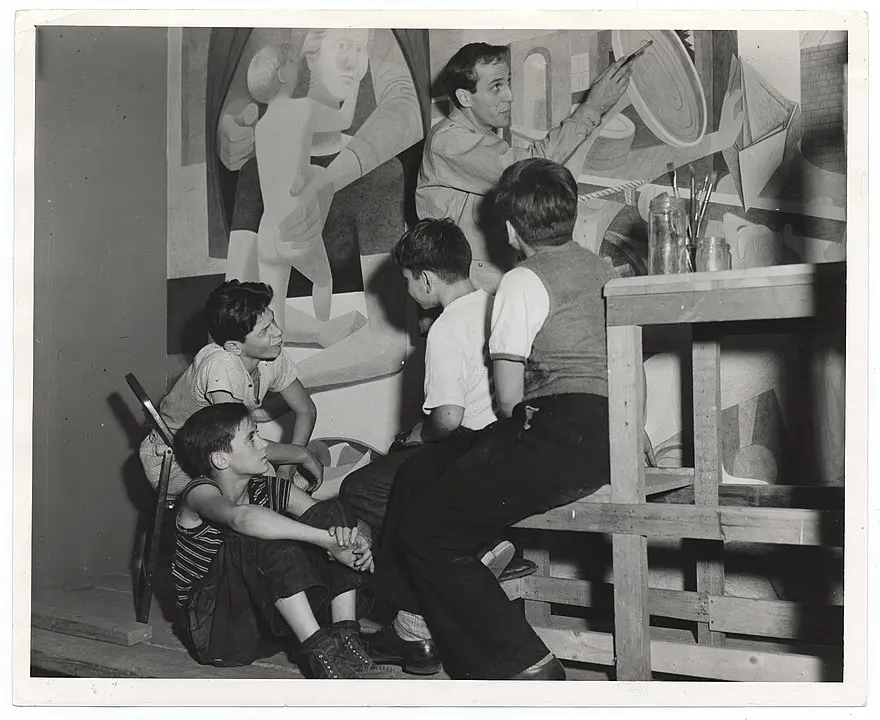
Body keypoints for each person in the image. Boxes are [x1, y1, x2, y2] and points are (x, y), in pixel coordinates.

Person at [370, 158, 618, 680]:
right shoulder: (600, 268)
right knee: (418, 473)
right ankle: (410, 622)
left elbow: (509, 401)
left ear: (509, 229)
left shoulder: (523, 282)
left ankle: (526, 665)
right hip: (609, 431)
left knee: (427, 536)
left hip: (559, 436)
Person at [171, 403, 389, 678]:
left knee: (334, 511)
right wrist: (328, 541)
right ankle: (323, 657)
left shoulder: (266, 487)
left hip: (269, 628)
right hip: (217, 632)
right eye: (251, 438)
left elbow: (336, 518)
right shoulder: (199, 492)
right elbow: (242, 518)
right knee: (255, 535)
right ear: (220, 460)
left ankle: (346, 641)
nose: (264, 445)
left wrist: (359, 541)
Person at [416, 42, 634, 293]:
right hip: (467, 279)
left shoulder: (481, 137)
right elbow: (527, 169)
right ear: (465, 97)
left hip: (482, 273)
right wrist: (591, 108)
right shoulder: (449, 141)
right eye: (496, 87)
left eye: (507, 83)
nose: (508, 95)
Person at [138, 280, 322, 497]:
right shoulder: (222, 364)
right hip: (172, 460)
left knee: (288, 487)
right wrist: (301, 455)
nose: (278, 332)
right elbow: (235, 444)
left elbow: (306, 410)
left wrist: (287, 467)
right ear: (234, 346)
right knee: (281, 495)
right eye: (264, 331)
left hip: (219, 453)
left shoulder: (270, 356)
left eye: (272, 320)